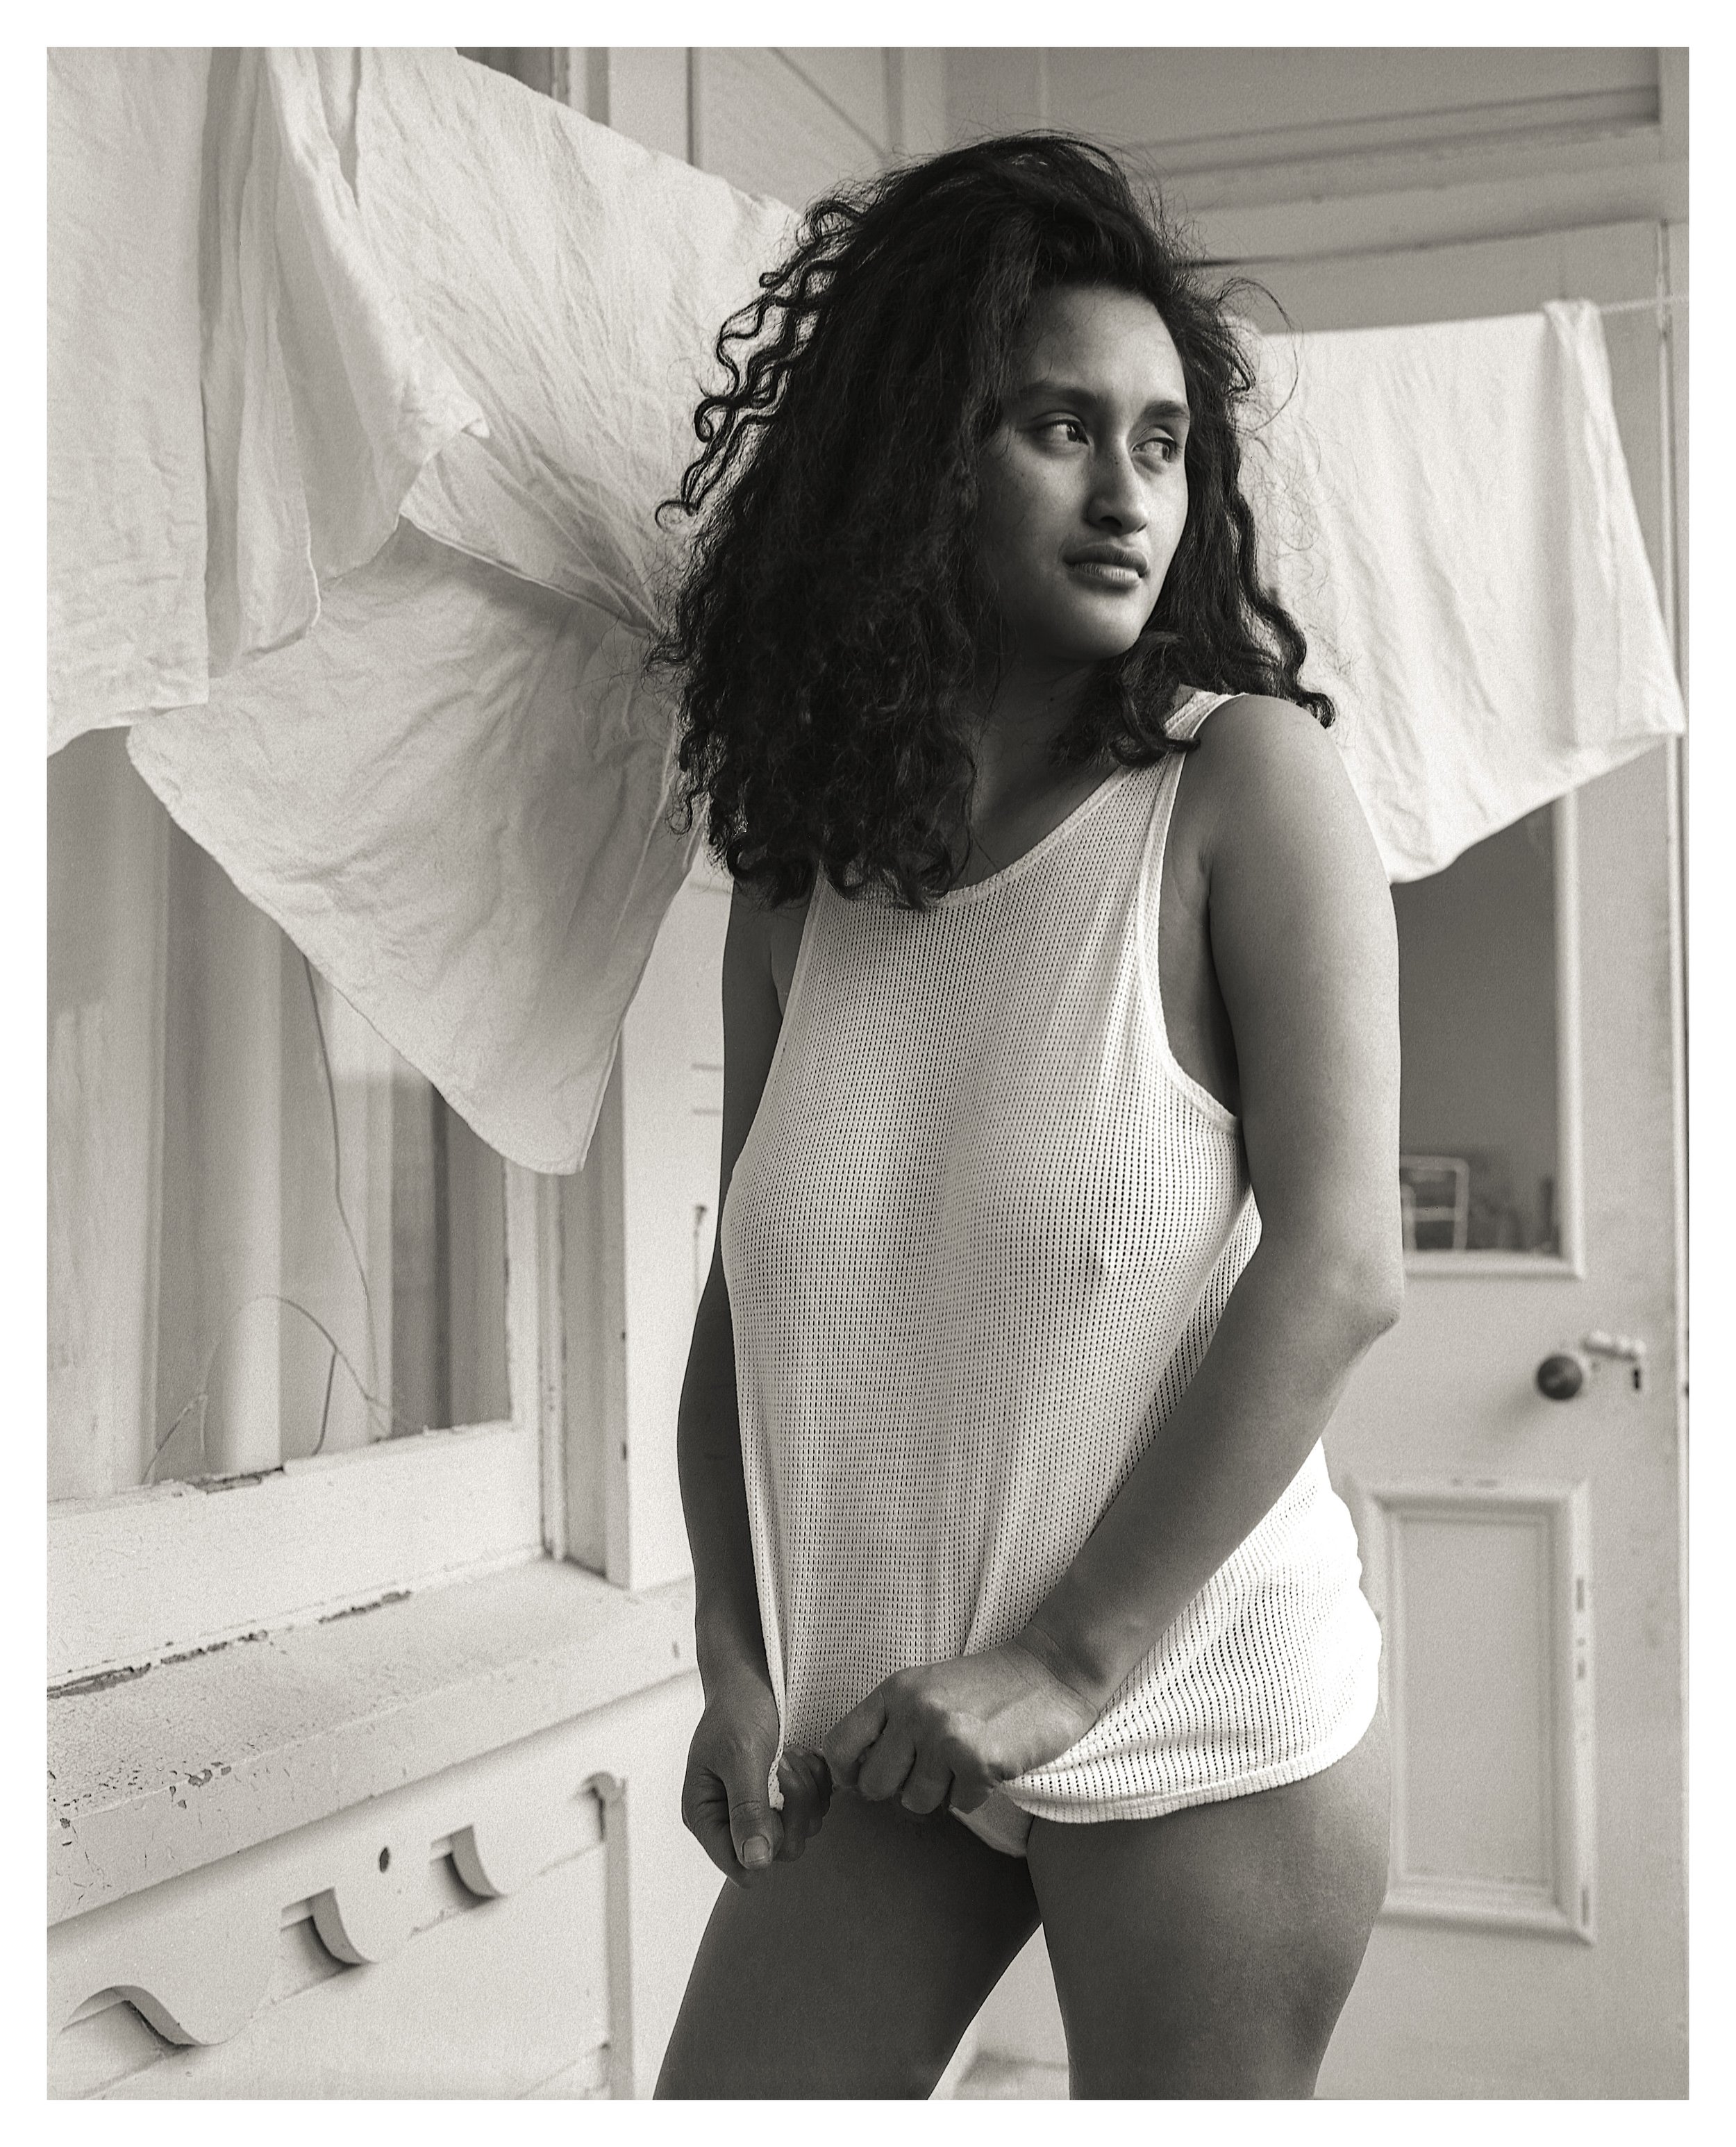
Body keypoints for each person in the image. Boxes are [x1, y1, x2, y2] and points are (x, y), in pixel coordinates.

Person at [647, 133, 1400, 2100]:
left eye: (1163, 441)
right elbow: (738, 1306)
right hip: (886, 1715)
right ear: (918, 461)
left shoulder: (1242, 787)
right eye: (1063, 427)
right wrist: (732, 1653)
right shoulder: (799, 875)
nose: (1129, 492)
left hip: (1187, 1693)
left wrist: (1066, 1663)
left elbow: (1340, 1267)